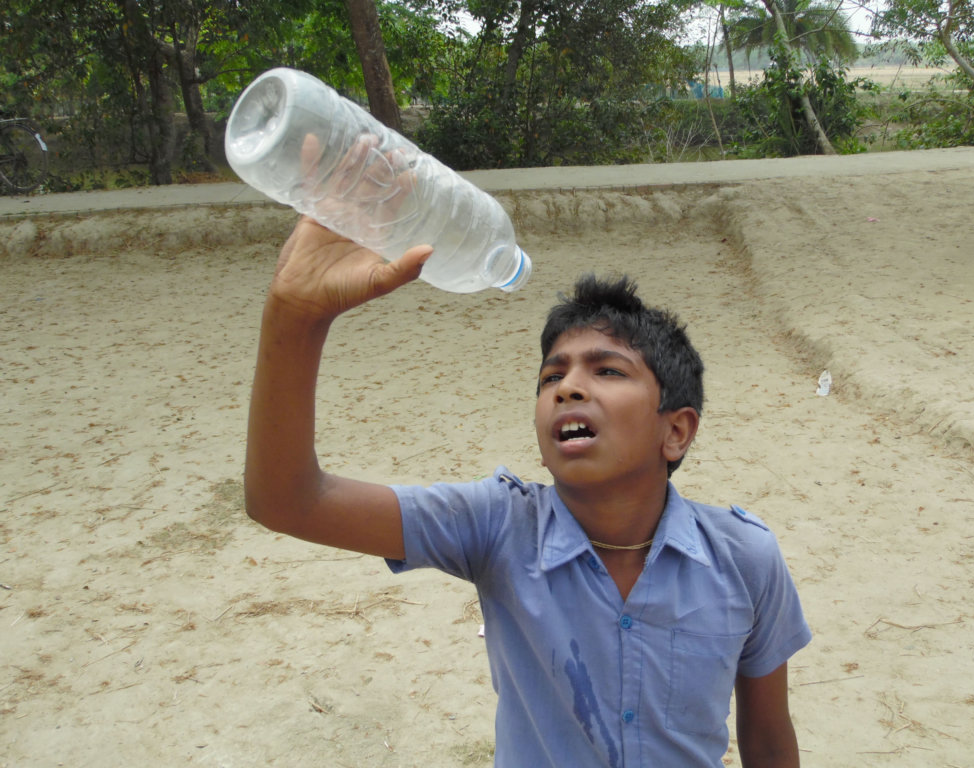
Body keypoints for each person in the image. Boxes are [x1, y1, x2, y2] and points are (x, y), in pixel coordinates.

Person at [245, 216, 812, 768]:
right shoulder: (499, 526)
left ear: (677, 431)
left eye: (608, 371)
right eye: (551, 377)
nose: (568, 388)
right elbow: (288, 500)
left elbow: (768, 744)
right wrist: (295, 316)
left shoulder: (744, 559)